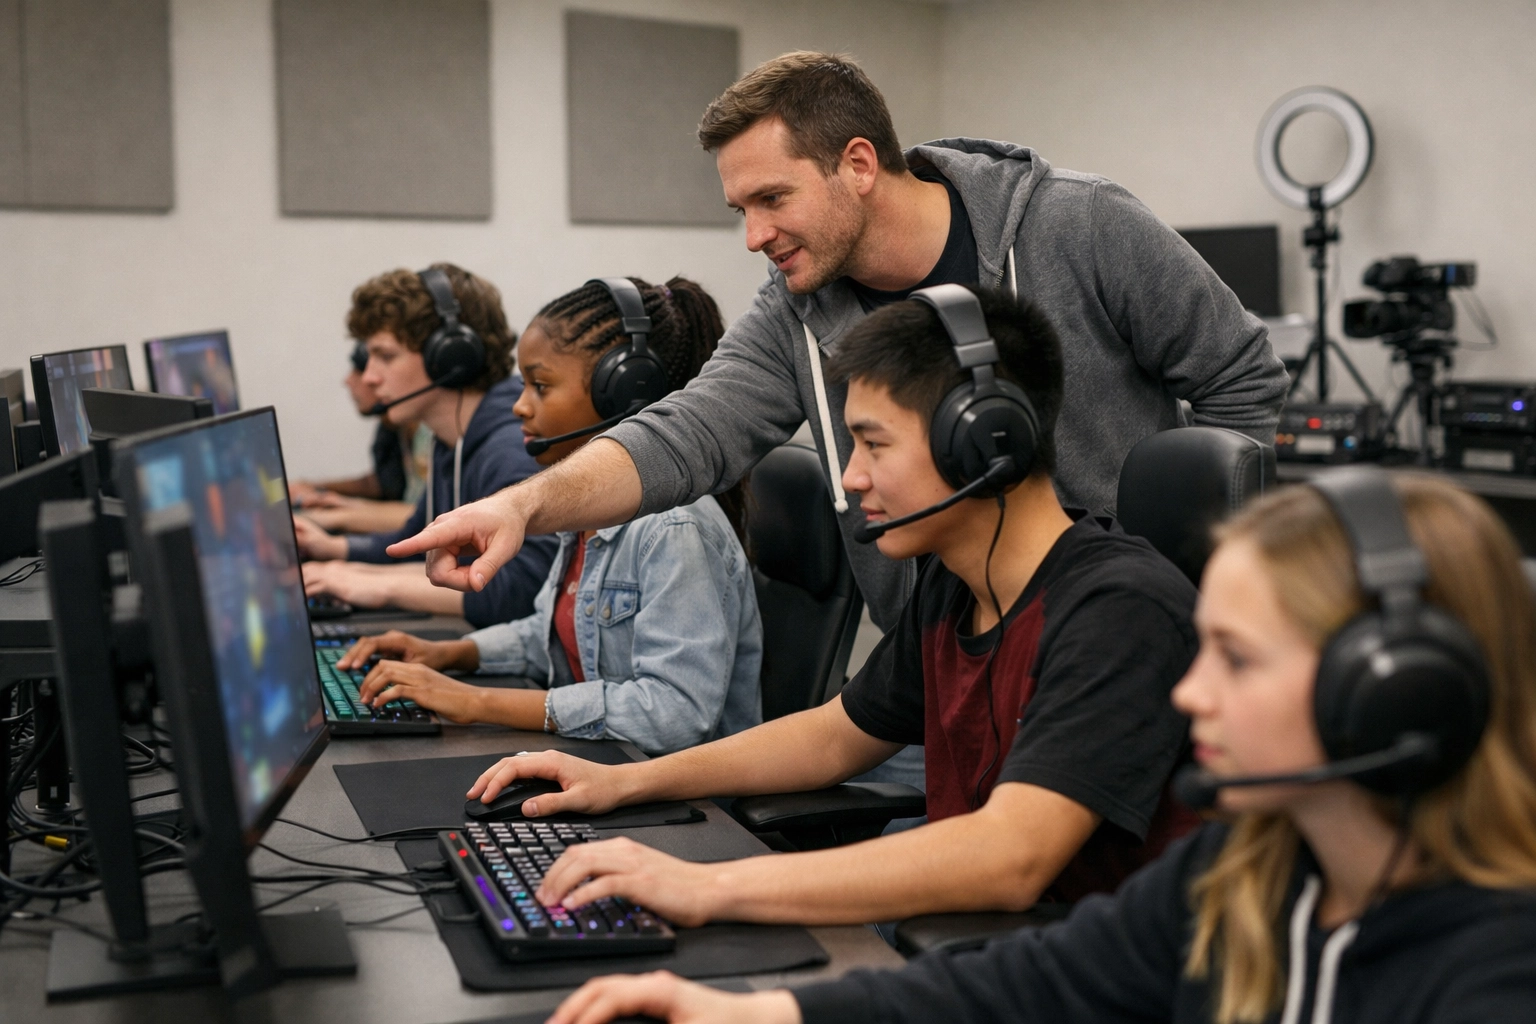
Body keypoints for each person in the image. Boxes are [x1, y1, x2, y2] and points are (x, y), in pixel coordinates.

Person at [387, 51, 1288, 789]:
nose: (753, 235)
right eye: (739, 209)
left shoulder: (1078, 228)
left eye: (772, 199)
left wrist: (1174, 604)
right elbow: (692, 429)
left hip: (1112, 667)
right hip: (941, 668)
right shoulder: (796, 305)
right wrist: (524, 507)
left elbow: (1244, 388)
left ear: (858, 165)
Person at [546, 471, 1536, 1024]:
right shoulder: (1251, 874)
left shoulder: (1495, 971)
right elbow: (1025, 985)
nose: (1191, 691)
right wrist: (740, 1017)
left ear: (1392, 693)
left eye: (1235, 657)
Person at [462, 287, 1199, 930]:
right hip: (979, 942)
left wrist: (706, 885)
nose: (850, 479)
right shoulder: (956, 587)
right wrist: (622, 782)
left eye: (873, 444)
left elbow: (1010, 857)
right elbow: (832, 738)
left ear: (983, 440)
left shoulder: (1117, 610)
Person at [334, 277, 762, 756]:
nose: (519, 405)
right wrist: (449, 654)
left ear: (622, 395)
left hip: (688, 802)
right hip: (604, 765)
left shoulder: (673, 526)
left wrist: (476, 701)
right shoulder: (586, 512)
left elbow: (675, 713)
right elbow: (550, 630)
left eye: (540, 386)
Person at [296, 264, 558, 627]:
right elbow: (415, 538)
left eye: (385, 356)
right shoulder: (451, 441)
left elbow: (521, 592)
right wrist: (337, 554)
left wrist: (377, 586)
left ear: (451, 358)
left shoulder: (511, 449)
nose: (370, 377)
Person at [289, 341, 430, 535]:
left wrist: (337, 517)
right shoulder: (394, 425)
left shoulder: (428, 432)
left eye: (357, 369)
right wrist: (342, 503)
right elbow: (383, 484)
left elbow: (427, 517)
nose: (348, 380)